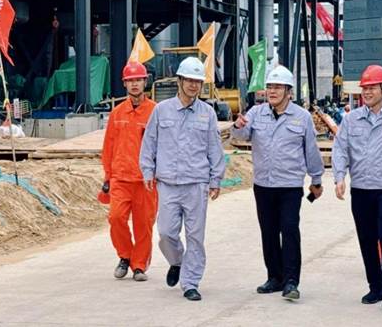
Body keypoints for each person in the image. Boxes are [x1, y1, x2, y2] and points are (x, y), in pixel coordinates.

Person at [231, 65, 324, 300]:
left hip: (290, 186)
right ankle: (274, 277)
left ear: (289, 91)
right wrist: (237, 126)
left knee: (289, 230)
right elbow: (240, 136)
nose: (272, 91)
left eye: (278, 87)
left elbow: (311, 150)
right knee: (269, 232)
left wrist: (316, 179)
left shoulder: (302, 117)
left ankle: (291, 281)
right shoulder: (256, 113)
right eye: (270, 87)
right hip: (263, 185)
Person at [139, 56, 225, 301]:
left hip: (197, 183)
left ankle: (190, 283)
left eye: (197, 81)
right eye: (189, 80)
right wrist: (147, 170)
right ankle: (177, 261)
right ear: (179, 81)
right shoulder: (161, 110)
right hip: (168, 183)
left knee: (195, 236)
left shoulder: (207, 114)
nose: (193, 85)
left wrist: (216, 179)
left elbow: (214, 148)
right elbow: (149, 143)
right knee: (166, 233)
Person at [331, 65, 382, 312]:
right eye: (364, 88)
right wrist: (339, 177)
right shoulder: (351, 119)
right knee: (367, 239)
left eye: (371, 88)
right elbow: (340, 148)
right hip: (361, 189)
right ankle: (375, 286)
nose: (366, 92)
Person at [100, 61, 157, 281]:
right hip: (121, 178)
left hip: (146, 180)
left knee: (144, 224)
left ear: (145, 81)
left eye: (138, 80)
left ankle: (139, 265)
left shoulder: (155, 112)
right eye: (130, 81)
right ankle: (125, 255)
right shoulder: (117, 113)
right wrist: (108, 176)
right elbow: (109, 146)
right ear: (124, 84)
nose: (134, 84)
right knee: (116, 218)